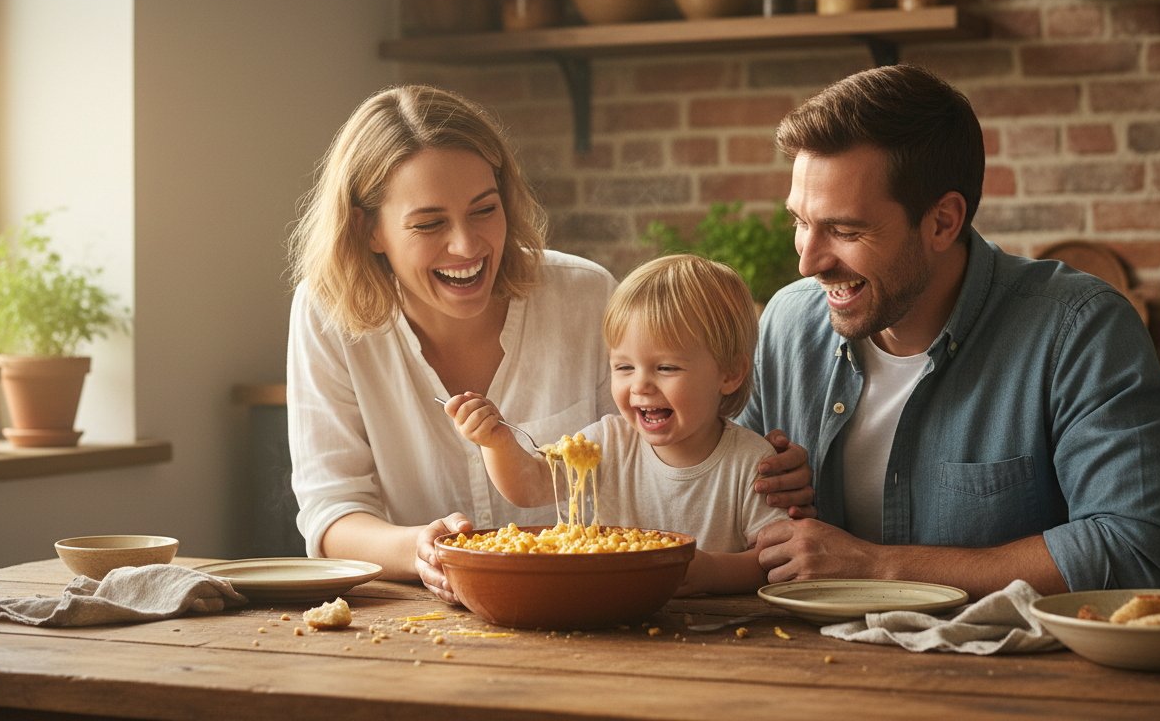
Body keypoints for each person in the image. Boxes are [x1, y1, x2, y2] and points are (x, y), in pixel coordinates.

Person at [286, 85, 813, 604]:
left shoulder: (584, 295)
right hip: (416, 616)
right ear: (368, 229)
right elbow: (332, 511)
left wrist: (760, 461)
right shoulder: (327, 313)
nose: (467, 246)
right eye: (429, 223)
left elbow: (666, 448)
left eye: (484, 209)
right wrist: (417, 548)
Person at [739, 65, 1160, 599]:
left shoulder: (1081, 329)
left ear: (942, 222)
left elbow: (1142, 551)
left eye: (845, 230)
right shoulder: (788, 323)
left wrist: (877, 566)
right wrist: (750, 477)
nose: (808, 262)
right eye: (800, 221)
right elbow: (719, 497)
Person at [444, 254, 788, 595]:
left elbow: (774, 559)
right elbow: (528, 486)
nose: (640, 386)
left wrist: (712, 572)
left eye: (666, 368)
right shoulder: (606, 444)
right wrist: (497, 441)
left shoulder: (752, 462)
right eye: (624, 368)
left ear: (729, 374)